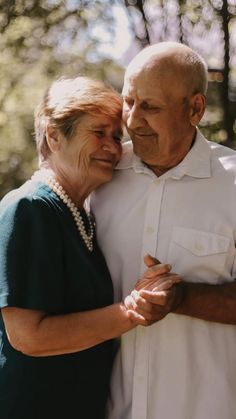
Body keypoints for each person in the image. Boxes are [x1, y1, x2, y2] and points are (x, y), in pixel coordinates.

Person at [0, 76, 177, 419]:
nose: (113, 149)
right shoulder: (30, 208)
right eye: (98, 133)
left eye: (116, 137)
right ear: (53, 135)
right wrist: (131, 311)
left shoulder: (78, 214)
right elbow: (28, 337)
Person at [91, 42, 236, 419]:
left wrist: (182, 298)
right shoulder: (96, 176)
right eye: (128, 102)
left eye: (151, 107)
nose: (134, 121)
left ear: (195, 109)